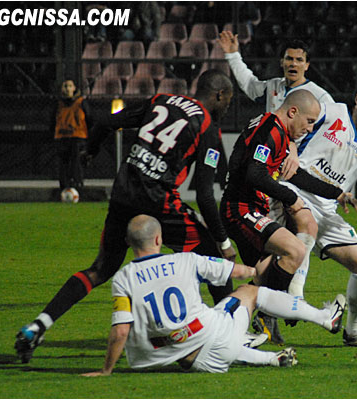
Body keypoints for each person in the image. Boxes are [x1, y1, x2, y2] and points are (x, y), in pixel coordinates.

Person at [15, 70, 240, 363]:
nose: (227, 107)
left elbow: (108, 122)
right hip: (159, 199)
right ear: (220, 95)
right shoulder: (207, 126)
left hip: (124, 192)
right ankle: (232, 334)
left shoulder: (162, 99)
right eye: (228, 101)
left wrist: (91, 150)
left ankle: (38, 325)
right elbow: (204, 195)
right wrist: (224, 242)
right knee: (214, 257)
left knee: (99, 269)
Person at [81, 215, 346, 375]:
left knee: (218, 319)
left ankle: (268, 358)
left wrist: (107, 370)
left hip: (186, 359)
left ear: (129, 243)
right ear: (159, 240)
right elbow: (238, 272)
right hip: (216, 339)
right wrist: (258, 269)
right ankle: (325, 318)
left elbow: (121, 332)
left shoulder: (124, 278)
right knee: (249, 292)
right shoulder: (186, 260)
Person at [268, 71, 357, 349]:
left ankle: (354, 332)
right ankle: (293, 297)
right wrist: (291, 148)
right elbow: (293, 126)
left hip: (328, 206)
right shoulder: (331, 112)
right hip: (294, 189)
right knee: (304, 227)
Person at [220, 90, 357, 345]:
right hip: (240, 208)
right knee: (295, 250)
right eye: (309, 121)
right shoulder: (269, 129)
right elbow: (255, 173)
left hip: (248, 210)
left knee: (263, 277)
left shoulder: (279, 135)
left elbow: (296, 176)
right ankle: (278, 311)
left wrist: (337, 193)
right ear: (293, 112)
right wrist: (291, 197)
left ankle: (232, 329)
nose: (310, 128)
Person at [51, 79, 92, 191]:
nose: (67, 89)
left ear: (74, 88)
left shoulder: (81, 102)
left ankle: (78, 186)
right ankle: (64, 187)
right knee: (63, 165)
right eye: (65, 86)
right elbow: (53, 121)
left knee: (76, 163)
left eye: (70, 86)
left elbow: (89, 119)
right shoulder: (58, 104)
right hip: (62, 137)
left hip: (78, 136)